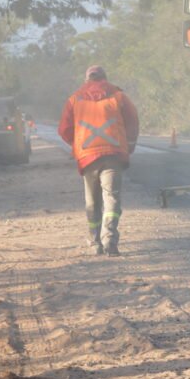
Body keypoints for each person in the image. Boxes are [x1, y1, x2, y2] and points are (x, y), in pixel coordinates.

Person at [58, 65, 139, 256]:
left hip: (88, 157)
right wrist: (129, 145)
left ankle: (95, 242)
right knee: (111, 198)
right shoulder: (119, 96)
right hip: (113, 154)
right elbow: (133, 121)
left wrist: (78, 145)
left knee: (92, 202)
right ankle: (109, 238)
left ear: (87, 79)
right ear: (105, 78)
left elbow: (64, 129)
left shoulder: (74, 99)